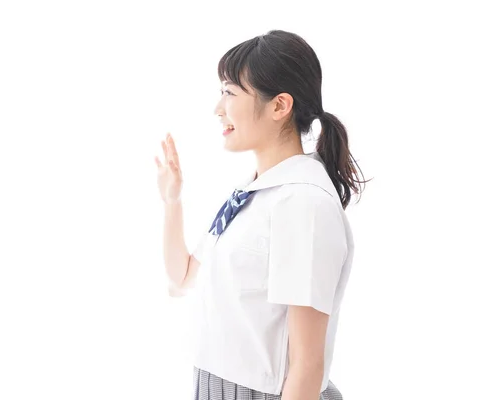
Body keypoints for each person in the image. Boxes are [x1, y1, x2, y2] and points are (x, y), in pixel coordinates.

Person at [155, 30, 366, 400]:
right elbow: (182, 279)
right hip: (213, 387)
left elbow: (306, 366)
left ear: (279, 105)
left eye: (230, 92)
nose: (218, 108)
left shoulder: (303, 204)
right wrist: (172, 202)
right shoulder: (252, 194)